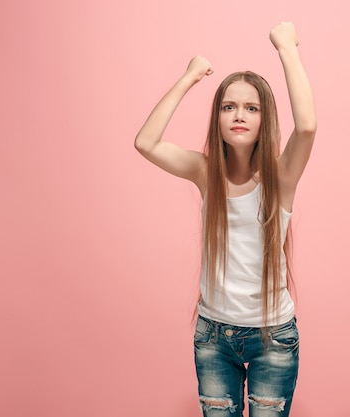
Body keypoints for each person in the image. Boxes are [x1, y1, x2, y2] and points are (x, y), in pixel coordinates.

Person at [134, 21, 316, 417]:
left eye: (252, 108)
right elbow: (145, 142)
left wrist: (287, 48)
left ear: (265, 119)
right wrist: (188, 78)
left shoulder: (280, 178)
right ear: (217, 117)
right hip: (213, 336)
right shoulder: (205, 173)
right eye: (228, 106)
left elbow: (307, 127)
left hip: (274, 337)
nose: (239, 115)